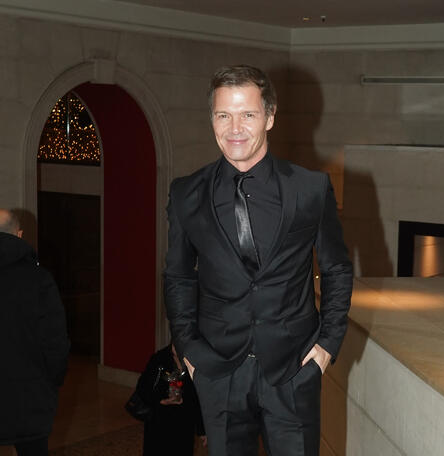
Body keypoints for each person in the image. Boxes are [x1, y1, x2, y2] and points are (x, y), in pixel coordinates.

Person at [164, 65, 353, 456]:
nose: (235, 128)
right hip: (218, 371)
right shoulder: (186, 193)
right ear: (212, 119)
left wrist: (327, 346)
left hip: (294, 369)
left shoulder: (310, 189)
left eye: (247, 114)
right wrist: (189, 349)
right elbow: (178, 276)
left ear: (269, 117)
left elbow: (336, 268)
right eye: (223, 115)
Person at [0, 209, 70, 456]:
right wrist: (52, 381)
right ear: (19, 234)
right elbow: (56, 342)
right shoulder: (39, 279)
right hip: (30, 396)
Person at [135, 343, 207, 455]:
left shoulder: (192, 360)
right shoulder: (159, 359)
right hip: (160, 422)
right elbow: (142, 388)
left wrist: (201, 429)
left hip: (184, 424)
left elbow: (197, 397)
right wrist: (161, 400)